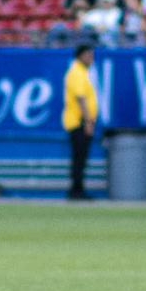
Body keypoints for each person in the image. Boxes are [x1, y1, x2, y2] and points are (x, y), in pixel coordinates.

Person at [62, 42, 98, 200]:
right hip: (79, 121)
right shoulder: (77, 72)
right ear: (81, 55)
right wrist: (88, 121)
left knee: (80, 158)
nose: (91, 59)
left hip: (80, 121)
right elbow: (81, 98)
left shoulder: (81, 72)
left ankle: (78, 189)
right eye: (89, 55)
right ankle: (76, 190)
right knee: (79, 158)